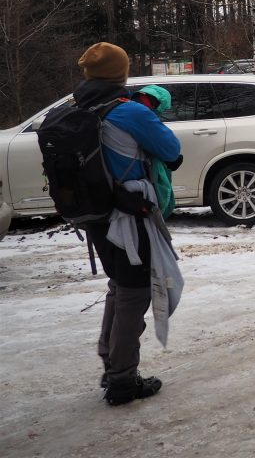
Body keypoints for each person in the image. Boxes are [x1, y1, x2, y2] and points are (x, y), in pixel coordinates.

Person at [74, 43, 181, 406]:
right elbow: (172, 151)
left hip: (97, 216)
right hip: (130, 215)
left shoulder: (77, 108)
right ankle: (121, 379)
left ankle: (112, 363)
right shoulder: (129, 111)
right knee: (135, 292)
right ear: (121, 73)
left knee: (120, 287)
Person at [130, 85, 182, 219]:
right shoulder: (142, 114)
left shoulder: (123, 107)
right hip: (139, 180)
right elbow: (171, 149)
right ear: (156, 103)